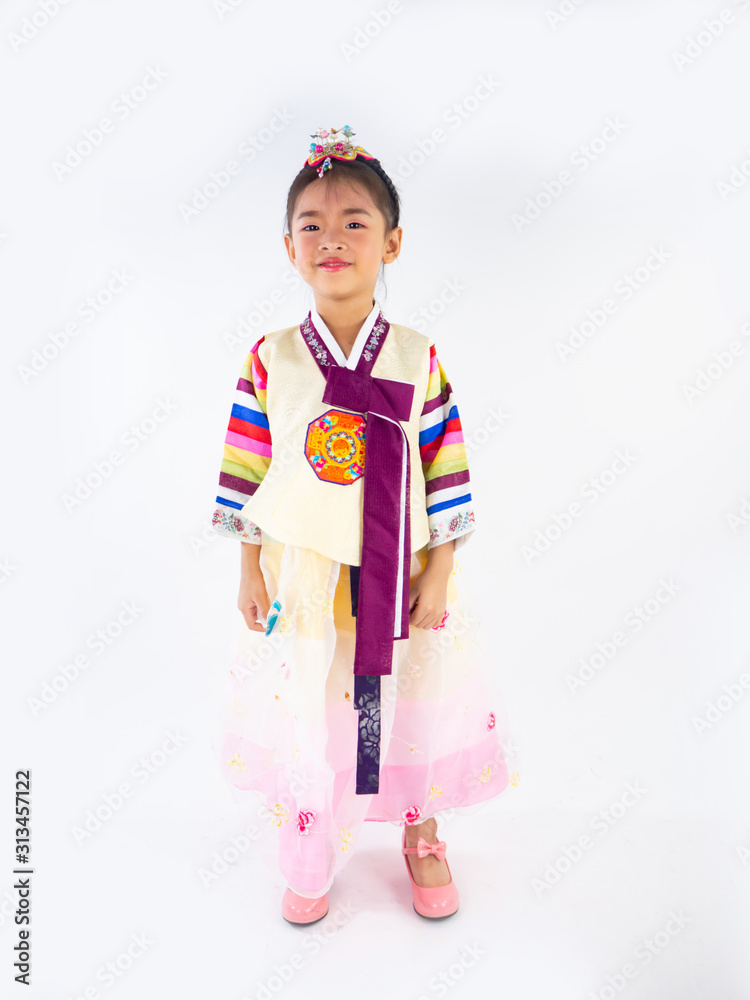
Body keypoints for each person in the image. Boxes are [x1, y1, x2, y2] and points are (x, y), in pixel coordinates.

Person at [210, 126, 518, 925]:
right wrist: (249, 568)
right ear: (288, 247)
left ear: (393, 242)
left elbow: (445, 462)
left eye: (355, 222)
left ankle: (420, 830)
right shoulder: (271, 357)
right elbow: (249, 466)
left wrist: (440, 569)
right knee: (315, 698)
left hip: (400, 568)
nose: (332, 238)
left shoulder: (416, 356)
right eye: (311, 223)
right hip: (304, 577)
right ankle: (313, 836)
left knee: (408, 694)